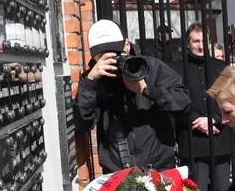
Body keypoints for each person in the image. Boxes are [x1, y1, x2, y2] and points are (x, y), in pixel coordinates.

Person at [74, 19, 191, 174]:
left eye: (116, 53)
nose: (113, 60)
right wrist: (90, 82)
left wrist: (147, 90)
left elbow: (184, 103)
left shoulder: (152, 67)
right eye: (104, 56)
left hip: (159, 168)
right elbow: (83, 124)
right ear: (94, 57)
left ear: (127, 45)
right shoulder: (93, 81)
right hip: (117, 172)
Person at [171, 22, 235, 191]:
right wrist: (198, 121)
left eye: (203, 41)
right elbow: (177, 101)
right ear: (187, 43)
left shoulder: (221, 67)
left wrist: (214, 120)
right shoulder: (177, 69)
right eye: (195, 41)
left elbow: (229, 96)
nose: (200, 45)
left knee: (223, 189)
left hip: (219, 134)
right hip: (194, 139)